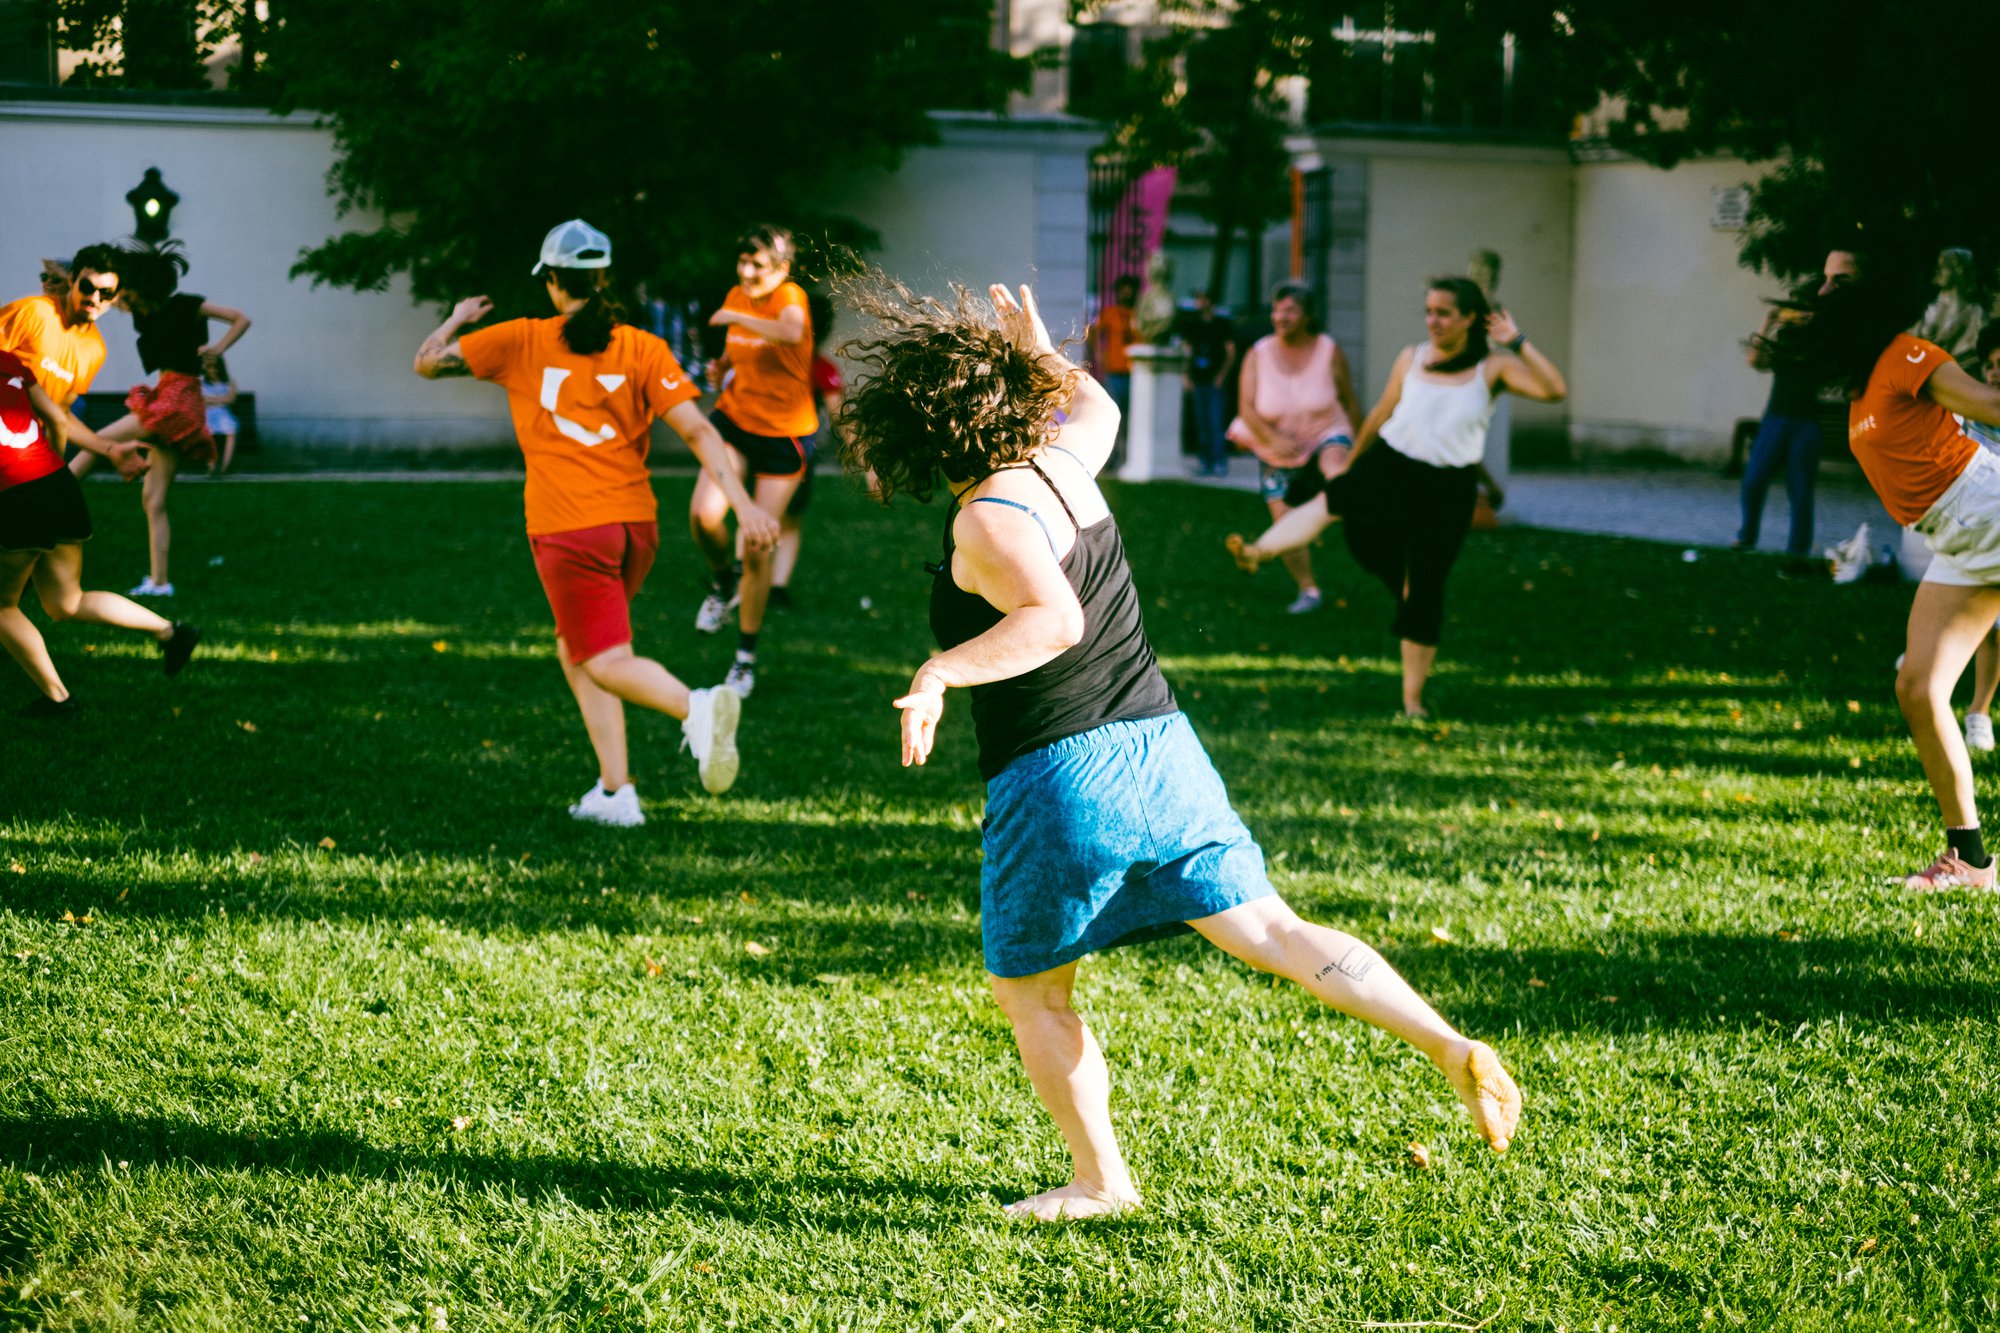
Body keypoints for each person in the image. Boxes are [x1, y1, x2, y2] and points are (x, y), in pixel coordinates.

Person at [843, 275, 1521, 1221]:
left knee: (1031, 991)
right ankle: (1450, 1045)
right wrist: (1043, 352)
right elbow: (1102, 404)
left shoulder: (987, 516)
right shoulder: (1061, 466)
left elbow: (1054, 619)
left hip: (1061, 776)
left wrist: (941, 672)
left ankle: (1101, 1182)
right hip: (1164, 752)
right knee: (1278, 934)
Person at [414, 218, 777, 822]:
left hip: (570, 530)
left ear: (553, 281)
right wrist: (741, 503)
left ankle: (698, 708)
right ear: (602, 278)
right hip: (634, 528)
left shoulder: (521, 338)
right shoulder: (641, 346)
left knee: (603, 658)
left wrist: (456, 318)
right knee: (580, 648)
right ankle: (616, 793)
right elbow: (698, 430)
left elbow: (427, 363)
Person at [1226, 276, 1566, 717]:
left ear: (1469, 318)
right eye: (1428, 311)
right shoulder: (1413, 357)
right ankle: (1258, 551)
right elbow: (1383, 411)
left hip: (1447, 489)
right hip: (1390, 462)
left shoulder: (1492, 368)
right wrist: (1352, 463)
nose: (1433, 320)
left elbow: (1554, 390)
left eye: (1443, 312)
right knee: (1330, 504)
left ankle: (1412, 700)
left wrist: (1516, 341)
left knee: (1424, 591)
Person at [1771, 246, 2000, 889]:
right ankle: (1972, 861)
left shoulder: (1909, 352)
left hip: (1989, 510)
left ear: (1870, 292)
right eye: (1821, 277)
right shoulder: (1865, 371)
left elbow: (1994, 408)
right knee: (1918, 688)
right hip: (1955, 537)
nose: (1822, 290)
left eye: (1838, 279)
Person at [0, 245, 201, 717]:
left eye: (105, 293)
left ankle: (58, 697)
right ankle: (171, 633)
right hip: (42, 476)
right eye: (86, 286)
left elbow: (60, 415)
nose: (93, 298)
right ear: (72, 282)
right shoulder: (31, 314)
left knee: (8, 604)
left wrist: (104, 450)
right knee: (64, 603)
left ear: (116, 298)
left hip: (25, 476)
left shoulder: (93, 349)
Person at [67, 241, 251, 598]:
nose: (125, 300)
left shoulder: (187, 306)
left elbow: (241, 318)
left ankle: (51, 494)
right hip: (170, 397)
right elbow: (108, 297)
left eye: (129, 293)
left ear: (144, 288)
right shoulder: (144, 313)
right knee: (153, 500)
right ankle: (160, 583)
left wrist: (217, 348)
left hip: (176, 401)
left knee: (99, 440)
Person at [690, 224, 816, 697]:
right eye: (742, 263)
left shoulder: (789, 295)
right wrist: (721, 366)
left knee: (758, 543)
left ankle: (744, 657)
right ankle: (724, 585)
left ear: (781, 269)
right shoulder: (737, 296)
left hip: (783, 435)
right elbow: (737, 349)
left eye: (757, 266)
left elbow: (790, 332)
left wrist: (732, 317)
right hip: (735, 419)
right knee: (704, 517)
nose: (746, 273)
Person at [1224, 283, 1362, 614]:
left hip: (1327, 431)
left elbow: (1348, 400)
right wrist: (1274, 441)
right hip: (1277, 445)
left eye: (1290, 310)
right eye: (1276, 309)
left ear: (1308, 315)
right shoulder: (1259, 352)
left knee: (1335, 470)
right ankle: (1309, 590)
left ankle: (1343, 506)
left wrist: (1362, 447)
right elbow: (1246, 408)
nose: (1280, 316)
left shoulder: (1329, 349)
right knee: (1282, 520)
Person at [767, 291, 845, 610]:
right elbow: (841, 415)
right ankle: (773, 584)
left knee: (769, 518)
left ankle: (763, 583)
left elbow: (839, 414)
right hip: (796, 453)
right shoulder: (819, 366)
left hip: (781, 450)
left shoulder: (771, 360)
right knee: (787, 522)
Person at [1734, 286, 1824, 561]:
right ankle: (1746, 534)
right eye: (1797, 308)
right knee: (1753, 479)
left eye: (1807, 308)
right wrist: (1768, 321)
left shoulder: (1822, 341)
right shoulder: (1785, 338)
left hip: (1806, 423)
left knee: (1800, 489)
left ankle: (1798, 550)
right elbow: (1755, 360)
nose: (1801, 314)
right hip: (1776, 418)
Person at [1179, 289, 1236, 477]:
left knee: (1215, 422)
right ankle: (1205, 461)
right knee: (1201, 423)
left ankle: (1219, 461)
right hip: (1198, 380)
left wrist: (1222, 375)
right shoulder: (1192, 325)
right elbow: (1186, 351)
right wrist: (1186, 375)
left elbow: (1230, 352)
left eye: (1203, 299)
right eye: (1198, 300)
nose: (1200, 303)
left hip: (1214, 381)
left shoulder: (1221, 325)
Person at [1088, 274, 1138, 427]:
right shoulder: (1109, 313)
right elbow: (1093, 330)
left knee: (1134, 416)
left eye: (1129, 290)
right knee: (1115, 414)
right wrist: (1098, 353)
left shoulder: (1139, 314)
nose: (1126, 294)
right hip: (1114, 371)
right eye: (1123, 290)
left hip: (1136, 372)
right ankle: (1115, 449)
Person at [202, 352, 241, 475]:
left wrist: (211, 399)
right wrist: (221, 399)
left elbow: (231, 399)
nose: (212, 370)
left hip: (225, 415)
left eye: (215, 367)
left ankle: (225, 467)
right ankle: (211, 466)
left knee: (231, 430)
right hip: (208, 415)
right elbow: (202, 400)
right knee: (207, 431)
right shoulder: (202, 383)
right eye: (209, 367)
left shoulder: (230, 382)